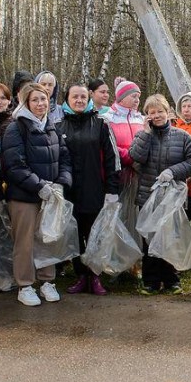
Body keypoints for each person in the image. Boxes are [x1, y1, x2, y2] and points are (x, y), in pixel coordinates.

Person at [2, 83, 72, 307]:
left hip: (50, 195)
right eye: (35, 100)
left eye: (44, 99)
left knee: (48, 237)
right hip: (24, 196)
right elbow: (14, 164)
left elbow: (64, 157)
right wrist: (39, 186)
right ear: (26, 103)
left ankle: (47, 281)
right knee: (25, 242)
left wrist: (62, 182)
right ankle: (25, 285)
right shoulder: (16, 127)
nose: (41, 104)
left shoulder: (51, 126)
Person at [129, 94, 191, 294]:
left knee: (170, 238)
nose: (157, 115)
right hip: (148, 195)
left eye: (160, 111)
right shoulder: (142, 135)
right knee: (150, 239)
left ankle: (171, 280)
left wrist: (173, 172)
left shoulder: (182, 136)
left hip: (172, 198)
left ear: (168, 112)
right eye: (152, 112)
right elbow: (136, 157)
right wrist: (145, 134)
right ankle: (150, 281)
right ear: (147, 115)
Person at [62, 83, 120, 295]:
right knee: (74, 236)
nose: (79, 100)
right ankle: (80, 276)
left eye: (82, 97)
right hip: (69, 192)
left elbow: (113, 159)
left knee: (95, 235)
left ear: (88, 100)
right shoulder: (58, 126)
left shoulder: (101, 124)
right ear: (67, 100)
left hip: (95, 190)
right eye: (74, 97)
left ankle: (95, 276)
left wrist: (112, 189)